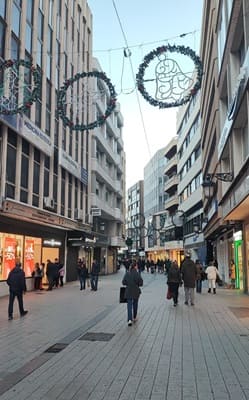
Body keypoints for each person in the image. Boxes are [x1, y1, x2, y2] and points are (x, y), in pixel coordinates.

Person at [122, 261, 143, 326]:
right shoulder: (137, 274)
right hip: (136, 291)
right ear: (135, 266)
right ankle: (134, 317)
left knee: (129, 306)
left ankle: (129, 320)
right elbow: (141, 283)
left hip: (128, 291)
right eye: (136, 266)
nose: (137, 267)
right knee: (135, 304)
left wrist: (128, 284)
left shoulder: (127, 273)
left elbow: (123, 282)